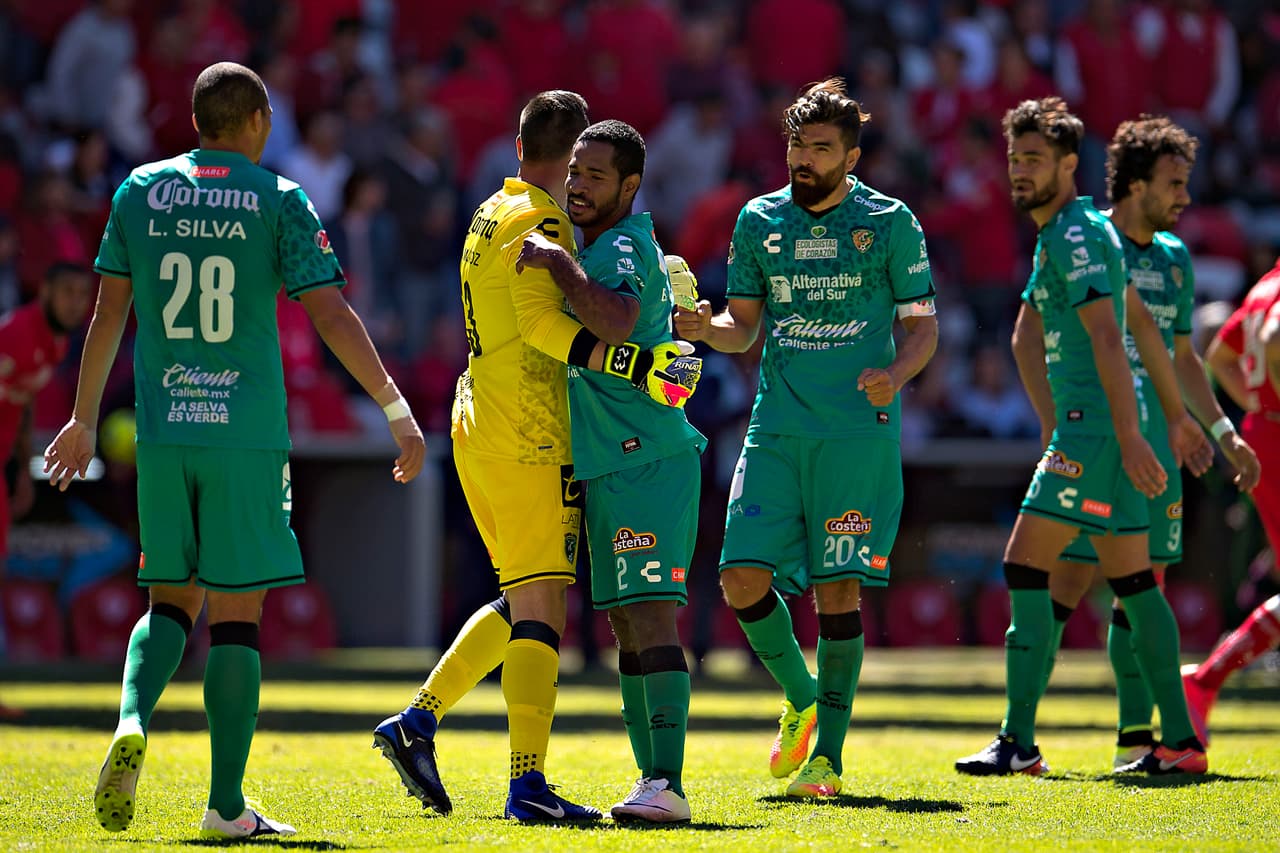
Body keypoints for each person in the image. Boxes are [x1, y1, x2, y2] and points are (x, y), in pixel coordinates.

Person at [41, 62, 426, 839]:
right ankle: (224, 806)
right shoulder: (277, 197)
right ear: (255, 122)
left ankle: (129, 718)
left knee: (169, 600)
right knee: (239, 616)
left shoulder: (139, 190)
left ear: (196, 121)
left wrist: (83, 418)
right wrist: (394, 405)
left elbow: (106, 315)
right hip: (243, 432)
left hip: (161, 427)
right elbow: (331, 313)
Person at [370, 92, 700, 822]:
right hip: (530, 432)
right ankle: (527, 785)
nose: (582, 182)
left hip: (477, 419)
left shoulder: (491, 208)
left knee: (524, 597)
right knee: (543, 607)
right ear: (573, 153)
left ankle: (418, 721)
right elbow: (545, 330)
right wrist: (639, 368)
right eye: (580, 165)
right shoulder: (544, 222)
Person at [675, 78, 939, 798]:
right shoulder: (758, 220)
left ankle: (829, 759)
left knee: (837, 592)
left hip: (856, 433)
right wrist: (705, 331)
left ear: (851, 156)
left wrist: (896, 372)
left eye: (822, 147)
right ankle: (803, 696)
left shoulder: (889, 223)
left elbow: (923, 327)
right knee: (739, 577)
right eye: (797, 143)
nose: (805, 157)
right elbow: (743, 326)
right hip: (776, 428)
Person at [953, 97, 1211, 777]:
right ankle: (1179, 742)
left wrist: (1128, 434)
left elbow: (1107, 336)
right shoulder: (1078, 233)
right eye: (1014, 158)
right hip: (1093, 432)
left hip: (1095, 433)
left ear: (1070, 165)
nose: (1019, 171)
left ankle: (1019, 740)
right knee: (1134, 584)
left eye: (1034, 159)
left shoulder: (1071, 234)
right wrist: (1158, 424)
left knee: (1023, 565)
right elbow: (1133, 330)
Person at [1039, 115, 1260, 768]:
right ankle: (1023, 731)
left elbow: (1184, 356)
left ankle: (1137, 738)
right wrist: (1059, 423)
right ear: (1135, 185)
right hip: (1096, 437)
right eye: (1174, 184)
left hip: (1157, 448)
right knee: (1065, 582)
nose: (1185, 199)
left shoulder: (1174, 258)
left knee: (1143, 586)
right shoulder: (1086, 241)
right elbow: (1036, 329)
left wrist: (1222, 431)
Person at [514, 119, 706, 823]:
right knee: (627, 622)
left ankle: (668, 782)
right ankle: (651, 781)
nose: (579, 185)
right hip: (619, 459)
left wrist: (555, 263)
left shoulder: (618, 246)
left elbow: (619, 321)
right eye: (575, 173)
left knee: (650, 615)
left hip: (647, 459)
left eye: (595, 175)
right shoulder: (619, 244)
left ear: (630, 185)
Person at [1185, 254, 1280, 740]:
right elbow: (1274, 339)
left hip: (1264, 434)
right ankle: (1204, 680)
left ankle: (1205, 680)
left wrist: (1261, 407)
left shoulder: (1263, 286)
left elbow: (1221, 356)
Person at [0, 262, 94, 719]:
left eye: (84, 295)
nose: (78, 304)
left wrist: (18, 468)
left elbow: (21, 401)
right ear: (46, 293)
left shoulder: (54, 343)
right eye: (69, 293)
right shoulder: (16, 335)